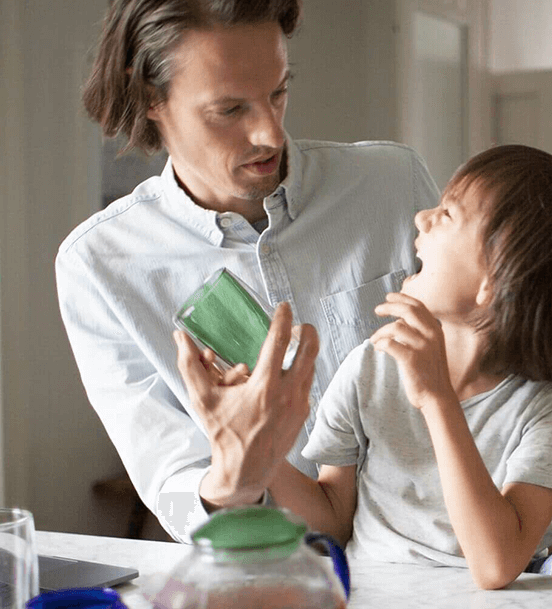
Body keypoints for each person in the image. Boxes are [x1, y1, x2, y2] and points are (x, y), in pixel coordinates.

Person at [177, 144, 552, 589]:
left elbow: (496, 566)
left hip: (513, 583)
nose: (421, 218)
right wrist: (257, 448)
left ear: (495, 281)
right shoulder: (371, 365)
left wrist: (437, 399)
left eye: (447, 214)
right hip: (383, 585)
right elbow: (331, 518)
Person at [56, 0, 440, 541]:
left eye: (278, 93)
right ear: (149, 97)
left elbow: (497, 355)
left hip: (451, 558)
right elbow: (169, 475)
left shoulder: (392, 184)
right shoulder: (98, 267)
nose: (270, 134)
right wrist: (237, 471)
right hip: (275, 579)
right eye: (230, 109)